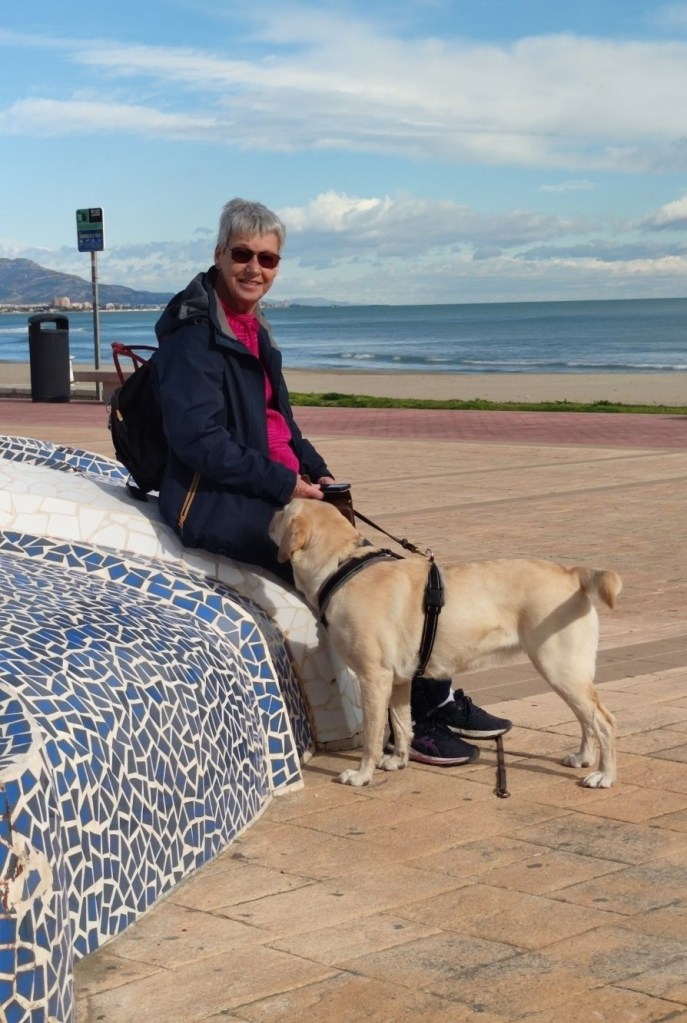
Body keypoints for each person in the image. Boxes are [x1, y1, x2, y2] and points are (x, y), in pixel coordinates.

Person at [153, 197, 511, 767]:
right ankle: (414, 720)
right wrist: (284, 485)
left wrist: (318, 472)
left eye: (268, 259)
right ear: (219, 254)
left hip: (273, 490)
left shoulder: (253, 329)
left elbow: (282, 426)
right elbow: (199, 441)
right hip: (216, 501)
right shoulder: (193, 335)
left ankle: (433, 696)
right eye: (242, 254)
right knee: (359, 581)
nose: (254, 268)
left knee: (386, 569)